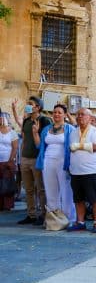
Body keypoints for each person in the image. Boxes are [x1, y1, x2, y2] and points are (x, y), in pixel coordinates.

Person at [33, 104, 75, 223]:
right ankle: (54, 220)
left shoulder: (70, 129)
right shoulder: (46, 129)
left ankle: (69, 219)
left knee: (66, 191)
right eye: (54, 112)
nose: (56, 114)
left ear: (65, 115)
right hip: (47, 161)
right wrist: (35, 133)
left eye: (59, 112)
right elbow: (39, 146)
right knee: (50, 190)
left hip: (63, 162)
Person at [66, 108, 96, 233]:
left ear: (90, 118)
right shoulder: (73, 132)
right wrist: (78, 147)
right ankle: (80, 222)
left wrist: (80, 146)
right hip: (76, 171)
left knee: (95, 198)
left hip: (90, 171)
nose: (79, 116)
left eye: (82, 114)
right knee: (78, 199)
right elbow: (71, 148)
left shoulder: (95, 131)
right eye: (78, 114)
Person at [17, 96, 51, 225]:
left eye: (30, 103)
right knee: (29, 189)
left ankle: (43, 214)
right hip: (25, 158)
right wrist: (21, 157)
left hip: (37, 159)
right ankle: (31, 214)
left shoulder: (45, 120)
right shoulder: (26, 121)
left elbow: (48, 140)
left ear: (38, 107)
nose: (27, 105)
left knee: (41, 188)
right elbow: (24, 139)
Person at [0, 112, 18, 211]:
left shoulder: (12, 132)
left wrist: (10, 160)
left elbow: (15, 148)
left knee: (8, 183)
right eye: (0, 118)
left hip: (8, 161)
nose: (1, 119)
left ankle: (8, 205)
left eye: (3, 118)